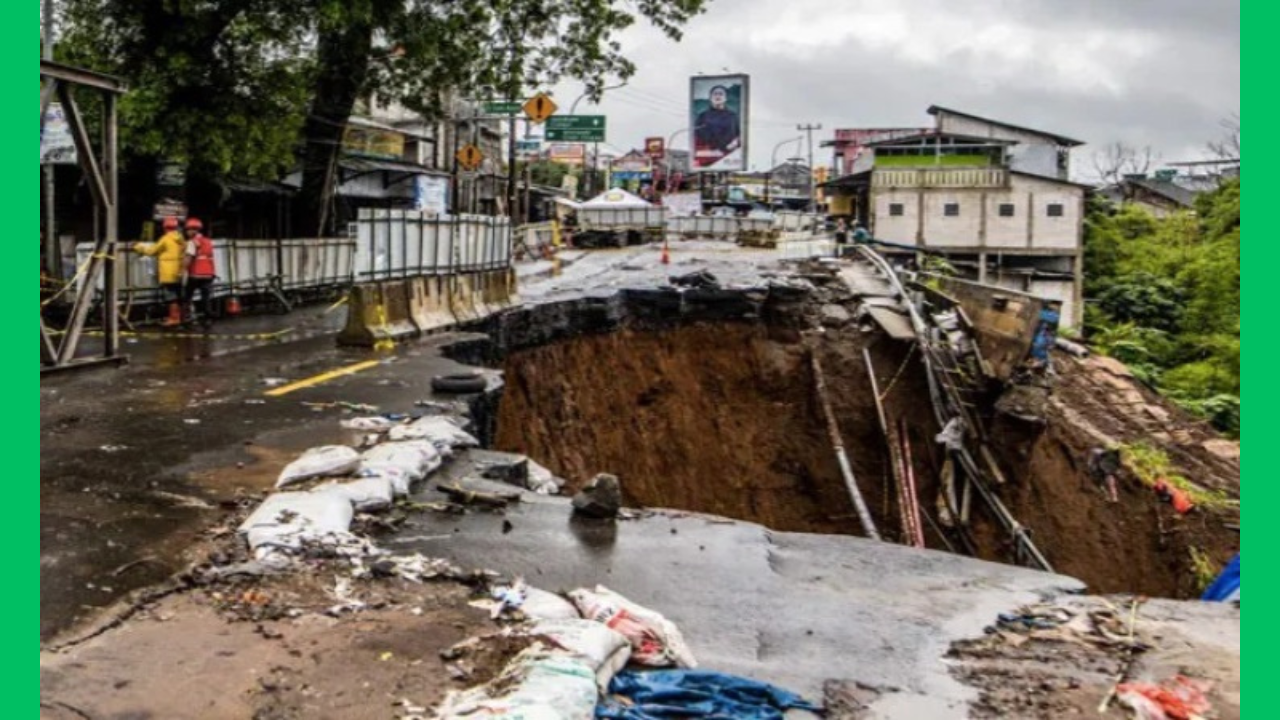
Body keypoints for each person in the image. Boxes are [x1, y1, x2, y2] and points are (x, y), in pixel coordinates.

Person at [133, 217, 187, 327]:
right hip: (179, 272)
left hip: (168, 273)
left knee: (171, 297)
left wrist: (137, 246)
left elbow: (152, 251)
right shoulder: (181, 239)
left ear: (165, 228)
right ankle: (180, 317)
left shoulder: (165, 239)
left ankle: (174, 318)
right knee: (179, 295)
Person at [694, 86, 741, 168]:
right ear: (710, 98)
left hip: (728, 157)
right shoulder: (702, 116)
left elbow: (739, 135)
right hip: (708, 157)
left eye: (720, 94)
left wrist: (734, 143)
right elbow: (696, 136)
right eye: (715, 94)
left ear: (725, 98)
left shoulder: (733, 116)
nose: (718, 96)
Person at [183, 218, 217, 329]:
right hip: (209, 274)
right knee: (205, 298)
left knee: (187, 297)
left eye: (188, 230)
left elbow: (188, 257)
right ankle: (208, 319)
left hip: (195, 274)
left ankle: (187, 319)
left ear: (192, 230)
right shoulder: (208, 241)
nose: (187, 232)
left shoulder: (192, 242)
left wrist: (182, 270)